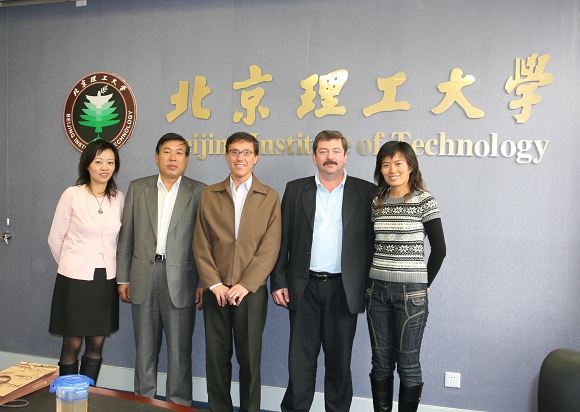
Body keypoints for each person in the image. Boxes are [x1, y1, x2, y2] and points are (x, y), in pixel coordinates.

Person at [270, 130, 376, 412]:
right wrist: (278, 280)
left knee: (339, 362)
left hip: (345, 288)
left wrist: (369, 287)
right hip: (303, 287)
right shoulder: (296, 189)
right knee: (300, 361)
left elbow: (371, 244)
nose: (330, 157)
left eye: (336, 151)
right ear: (314, 156)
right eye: (324, 151)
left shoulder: (366, 192)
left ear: (346, 156)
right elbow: (282, 239)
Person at [116, 133, 206, 406]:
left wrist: (202, 282)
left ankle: (179, 404)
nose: (172, 158)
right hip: (143, 275)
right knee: (144, 350)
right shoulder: (138, 187)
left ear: (187, 160)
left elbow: (205, 242)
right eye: (167, 152)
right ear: (157, 157)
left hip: (182, 279)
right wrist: (123, 277)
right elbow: (127, 236)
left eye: (179, 152)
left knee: (180, 352)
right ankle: (144, 403)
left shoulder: (200, 191)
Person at [194, 132, 282, 412]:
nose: (240, 158)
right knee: (216, 358)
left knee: (249, 360)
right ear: (226, 156)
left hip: (250, 292)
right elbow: (201, 243)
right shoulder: (210, 195)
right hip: (216, 291)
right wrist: (214, 284)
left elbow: (270, 247)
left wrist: (246, 284)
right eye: (234, 152)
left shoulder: (269, 197)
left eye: (246, 152)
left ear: (256, 158)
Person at [366, 141, 446, 412]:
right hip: (376, 292)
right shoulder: (377, 201)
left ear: (410, 167)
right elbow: (371, 246)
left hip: (411, 295)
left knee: (408, 365)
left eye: (398, 163)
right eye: (386, 164)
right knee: (380, 363)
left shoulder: (424, 200)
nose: (392, 170)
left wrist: (424, 284)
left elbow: (440, 249)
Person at [48, 139, 124, 385]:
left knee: (96, 343)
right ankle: (68, 396)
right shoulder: (72, 195)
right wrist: (71, 266)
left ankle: (88, 395)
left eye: (110, 162)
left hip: (105, 279)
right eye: (99, 161)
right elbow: (55, 238)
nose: (105, 167)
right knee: (71, 343)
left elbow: (119, 240)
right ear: (87, 164)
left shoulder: (118, 198)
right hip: (74, 280)